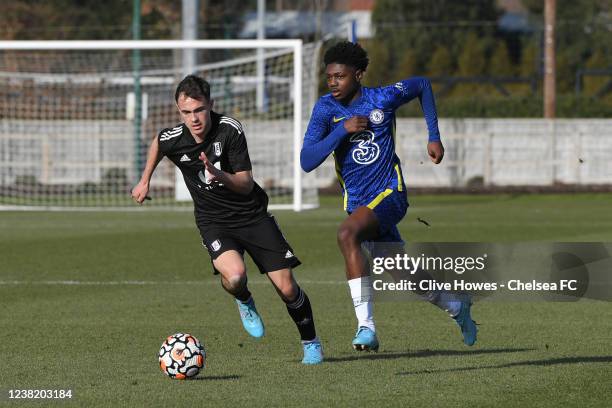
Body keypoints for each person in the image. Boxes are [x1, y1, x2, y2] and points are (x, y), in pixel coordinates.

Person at [132, 75, 323, 364]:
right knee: (235, 277)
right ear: (178, 111)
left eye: (199, 110)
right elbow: (158, 142)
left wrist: (218, 174)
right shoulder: (175, 138)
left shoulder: (229, 130)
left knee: (287, 288)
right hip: (214, 221)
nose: (193, 119)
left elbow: (246, 184)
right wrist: (144, 180)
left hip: (252, 216)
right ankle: (244, 300)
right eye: (186, 112)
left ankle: (311, 342)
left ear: (211, 105)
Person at [300, 41, 476, 351]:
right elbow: (306, 161)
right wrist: (342, 131)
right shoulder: (325, 109)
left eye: (340, 76)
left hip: (389, 193)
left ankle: (366, 327)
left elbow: (421, 84)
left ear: (359, 75)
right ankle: (457, 308)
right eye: (329, 77)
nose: (333, 83)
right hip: (358, 204)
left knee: (346, 235)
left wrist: (433, 136)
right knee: (402, 272)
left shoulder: (381, 98)